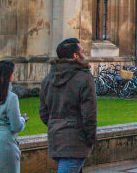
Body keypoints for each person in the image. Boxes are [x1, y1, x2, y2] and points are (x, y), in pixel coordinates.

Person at [39, 38, 97, 173]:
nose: (84, 55)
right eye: (82, 52)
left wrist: (56, 125)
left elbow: (43, 113)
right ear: (75, 56)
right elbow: (89, 113)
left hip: (57, 138)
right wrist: (90, 138)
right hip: (77, 140)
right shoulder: (84, 78)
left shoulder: (48, 79)